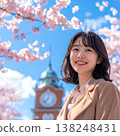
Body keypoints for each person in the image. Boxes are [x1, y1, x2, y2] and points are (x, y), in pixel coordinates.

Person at [57, 31, 120, 120]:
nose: (80, 55)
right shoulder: (70, 97)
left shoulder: (106, 89)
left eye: (88, 50)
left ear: (99, 59)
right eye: (76, 49)